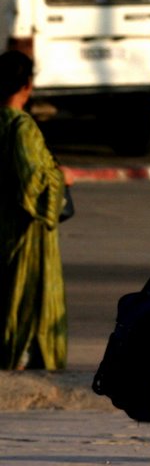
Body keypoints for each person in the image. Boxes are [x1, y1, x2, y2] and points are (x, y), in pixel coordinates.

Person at [0, 50, 68, 370]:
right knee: (26, 299)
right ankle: (22, 358)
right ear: (27, 86)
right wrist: (58, 177)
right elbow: (33, 185)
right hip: (24, 231)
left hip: (4, 228)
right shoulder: (22, 127)